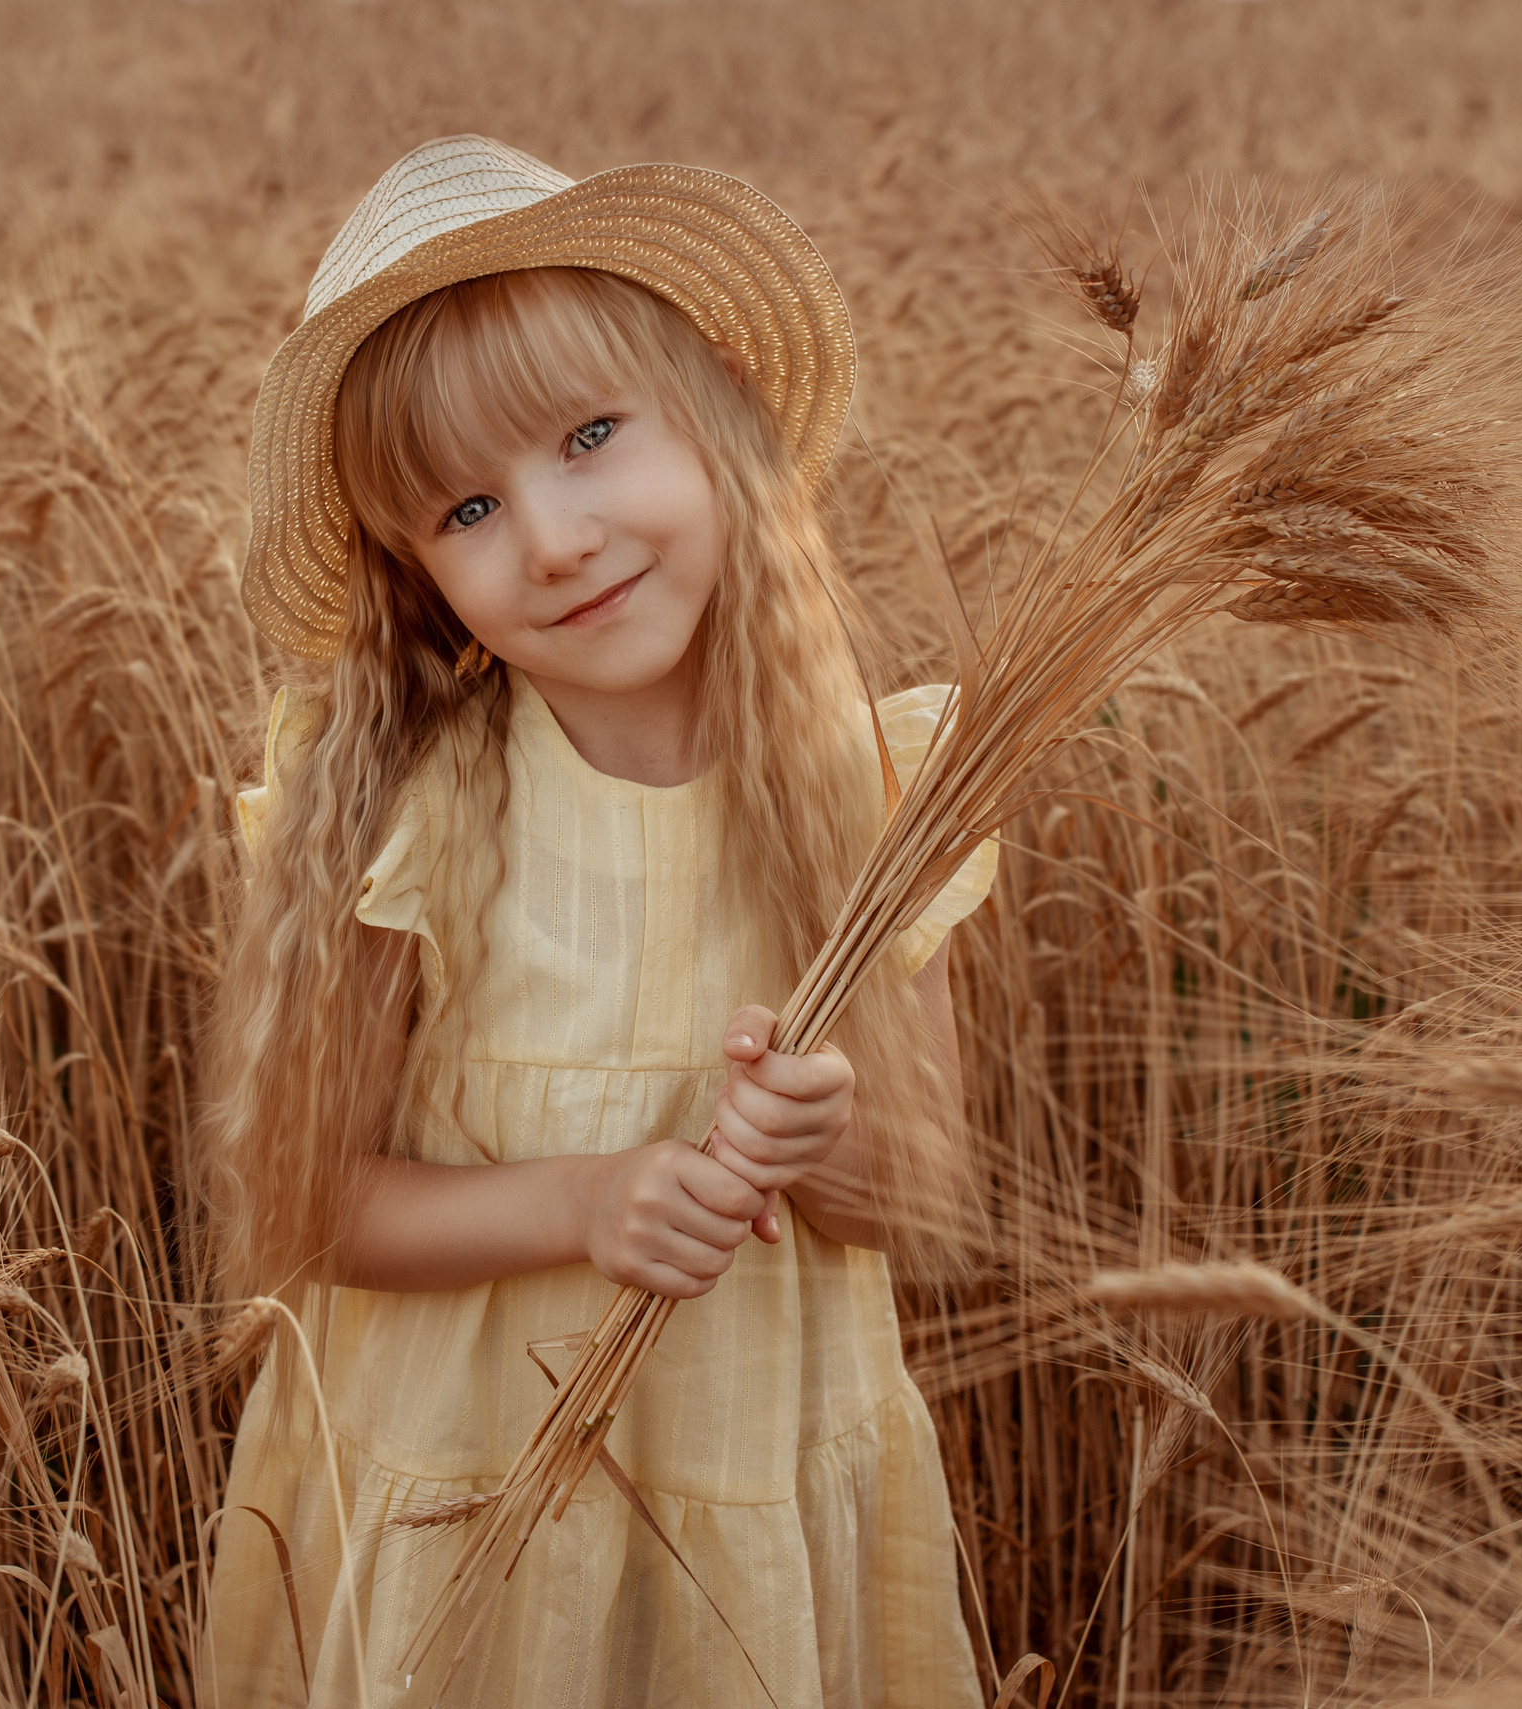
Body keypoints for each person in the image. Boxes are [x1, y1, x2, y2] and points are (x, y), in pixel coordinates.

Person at [198, 134, 997, 1708]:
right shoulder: (399, 821)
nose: (555, 536)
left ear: (711, 412)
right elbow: (307, 1203)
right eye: (471, 506)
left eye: (591, 434)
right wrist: (582, 1203)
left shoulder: (867, 797)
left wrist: (830, 1136)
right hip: (466, 1513)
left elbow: (931, 1190)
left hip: (750, 1504)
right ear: (418, 578)